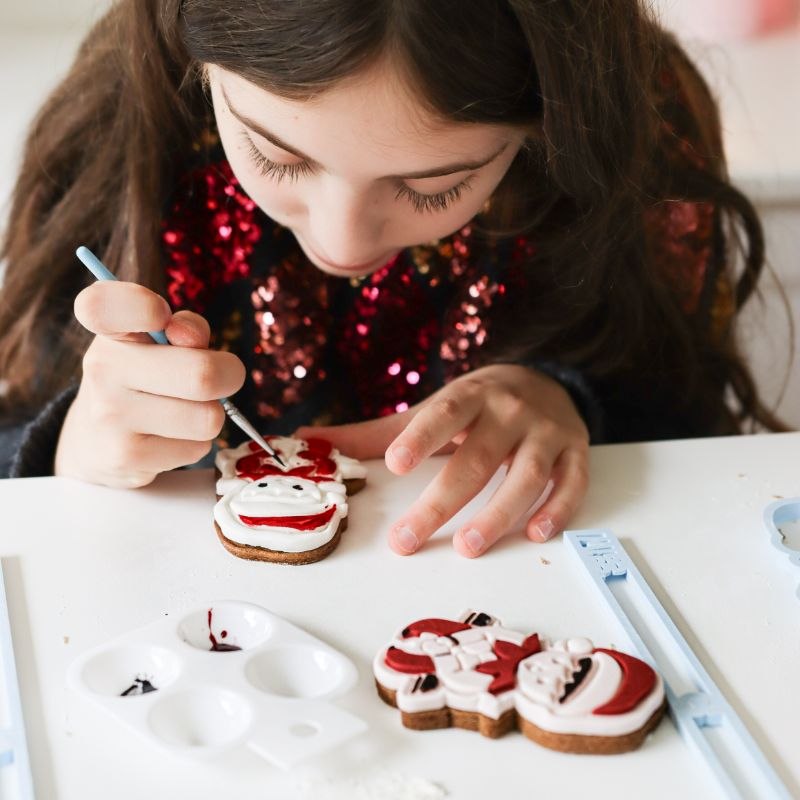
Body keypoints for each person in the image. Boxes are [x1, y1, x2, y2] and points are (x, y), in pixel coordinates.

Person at [0, 0, 784, 557]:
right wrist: (66, 454)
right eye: (276, 154)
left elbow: (698, 449)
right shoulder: (123, 122)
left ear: (551, 123)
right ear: (194, 57)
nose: (341, 242)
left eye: (434, 186)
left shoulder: (641, 129)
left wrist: (573, 404)